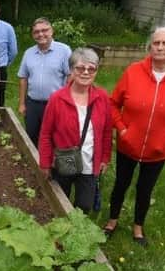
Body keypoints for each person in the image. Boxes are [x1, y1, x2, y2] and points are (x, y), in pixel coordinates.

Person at [103, 26, 165, 246]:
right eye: (156, 43)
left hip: (158, 150)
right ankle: (112, 221)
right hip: (127, 145)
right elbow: (112, 104)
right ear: (150, 46)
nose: (159, 47)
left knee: (145, 189)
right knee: (121, 184)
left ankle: (138, 227)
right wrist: (122, 129)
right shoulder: (133, 71)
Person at [38, 48, 112, 213]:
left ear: (96, 71)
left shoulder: (102, 98)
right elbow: (45, 134)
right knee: (59, 203)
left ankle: (77, 235)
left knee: (84, 206)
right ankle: (59, 234)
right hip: (64, 162)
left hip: (89, 163)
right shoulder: (57, 98)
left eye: (91, 69)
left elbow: (107, 131)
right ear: (71, 70)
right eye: (80, 68)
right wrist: (45, 163)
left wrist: (105, 158)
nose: (85, 72)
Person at [18, 17, 71, 147]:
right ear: (33, 35)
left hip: (55, 105)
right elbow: (23, 78)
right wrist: (22, 103)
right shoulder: (28, 53)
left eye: (44, 30)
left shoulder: (64, 51)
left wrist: (67, 103)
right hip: (33, 104)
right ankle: (35, 165)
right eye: (36, 32)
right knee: (31, 137)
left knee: (53, 139)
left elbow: (71, 77)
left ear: (51, 31)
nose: (41, 34)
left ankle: (52, 166)